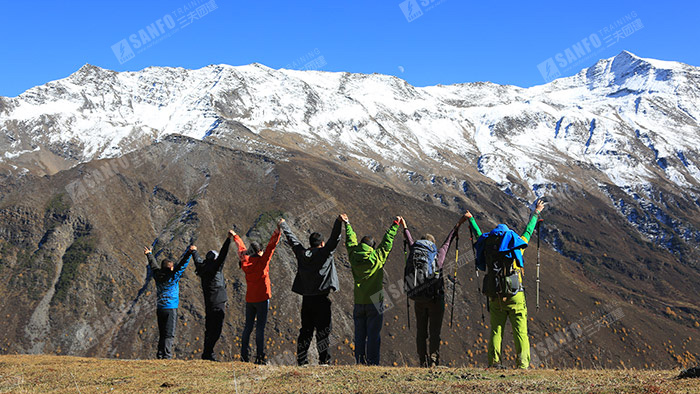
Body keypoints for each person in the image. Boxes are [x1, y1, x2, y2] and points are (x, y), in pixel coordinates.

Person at [470, 199, 545, 369]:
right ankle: (523, 364)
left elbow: (478, 236)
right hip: (514, 293)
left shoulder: (488, 245)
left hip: (494, 293)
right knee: (520, 331)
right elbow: (528, 231)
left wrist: (471, 220)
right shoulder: (515, 245)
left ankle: (494, 362)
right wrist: (536, 213)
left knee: (496, 330)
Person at [402, 214, 467, 367]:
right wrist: (458, 224)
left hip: (418, 297)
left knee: (421, 331)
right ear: (432, 245)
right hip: (435, 299)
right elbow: (448, 241)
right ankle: (433, 361)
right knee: (434, 332)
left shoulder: (414, 250)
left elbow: (409, 239)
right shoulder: (437, 255)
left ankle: (421, 361)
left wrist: (404, 226)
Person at [280, 214, 343, 366]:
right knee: (323, 332)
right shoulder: (324, 253)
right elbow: (334, 239)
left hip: (307, 299)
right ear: (321, 243)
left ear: (310, 243)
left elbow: (293, 240)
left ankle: (302, 360)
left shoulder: (302, 253)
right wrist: (338, 222)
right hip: (322, 298)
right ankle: (324, 361)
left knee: (306, 331)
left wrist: (284, 225)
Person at [341, 214, 400, 366]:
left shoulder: (354, 255)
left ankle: (360, 362)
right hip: (375, 300)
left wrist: (347, 224)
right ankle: (373, 363)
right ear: (372, 247)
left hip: (359, 300)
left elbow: (350, 241)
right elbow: (387, 243)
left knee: (359, 335)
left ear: (361, 245)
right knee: (373, 335)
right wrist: (395, 225)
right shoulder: (377, 256)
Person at [234, 220, 282, 365]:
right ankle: (260, 357)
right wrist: (278, 230)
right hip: (262, 298)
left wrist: (235, 236)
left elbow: (241, 248)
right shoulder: (262, 262)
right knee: (260, 328)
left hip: (250, 299)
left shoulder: (245, 261)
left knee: (248, 327)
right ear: (259, 251)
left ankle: (244, 356)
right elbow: (271, 247)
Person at [144, 244, 193, 359]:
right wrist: (189, 253)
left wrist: (149, 255)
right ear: (171, 268)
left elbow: (153, 265)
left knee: (162, 332)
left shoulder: (157, 275)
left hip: (160, 308)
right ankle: (167, 355)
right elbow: (182, 266)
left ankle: (160, 354)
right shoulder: (173, 276)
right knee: (169, 333)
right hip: (171, 308)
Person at [191, 230, 233, 361]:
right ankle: (208, 353)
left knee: (209, 328)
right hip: (218, 301)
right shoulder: (216, 268)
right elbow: (223, 255)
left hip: (208, 301)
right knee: (216, 329)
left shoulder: (202, 268)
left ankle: (207, 353)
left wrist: (194, 251)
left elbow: (197, 260)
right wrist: (228, 239)